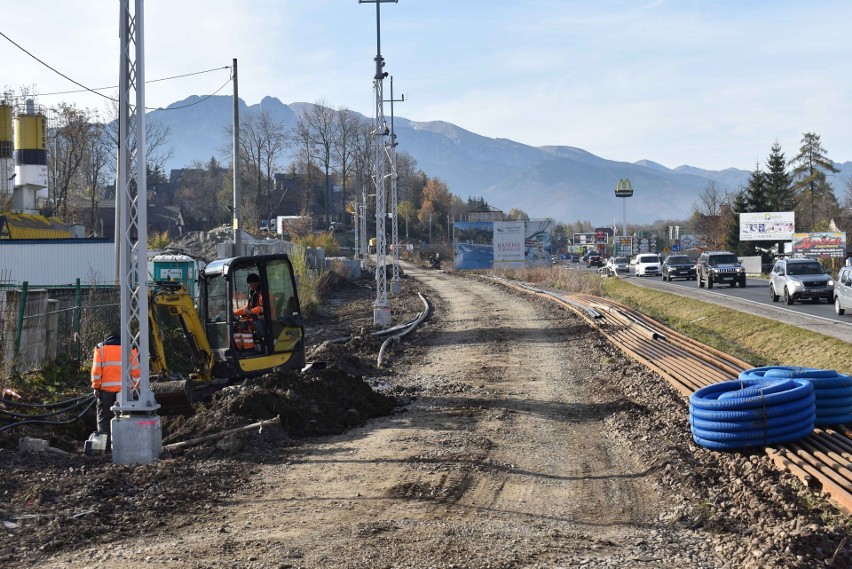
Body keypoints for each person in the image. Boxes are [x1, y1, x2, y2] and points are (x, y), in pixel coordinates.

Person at [90, 331, 140, 446]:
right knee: (126, 417)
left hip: (106, 389)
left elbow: (96, 370)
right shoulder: (129, 348)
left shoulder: (101, 348)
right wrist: (134, 388)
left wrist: (96, 386)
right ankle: (125, 444)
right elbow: (136, 371)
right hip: (125, 390)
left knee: (104, 417)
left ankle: (104, 445)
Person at [233, 273, 264, 352]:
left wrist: (250, 311)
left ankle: (250, 349)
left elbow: (262, 308)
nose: (250, 286)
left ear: (256, 283)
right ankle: (240, 349)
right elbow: (247, 307)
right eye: (249, 284)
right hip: (255, 317)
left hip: (264, 319)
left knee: (245, 325)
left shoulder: (263, 294)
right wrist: (235, 313)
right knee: (237, 325)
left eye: (251, 283)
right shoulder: (254, 293)